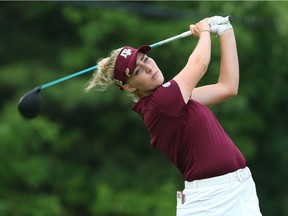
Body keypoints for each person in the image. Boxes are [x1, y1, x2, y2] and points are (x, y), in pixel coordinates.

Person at [85, 16, 262, 216]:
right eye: (138, 71)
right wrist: (204, 31)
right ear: (129, 86)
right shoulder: (162, 103)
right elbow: (199, 64)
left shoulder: (174, 100)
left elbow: (227, 87)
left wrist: (225, 32)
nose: (149, 68)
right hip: (211, 201)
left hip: (240, 191)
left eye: (146, 60)